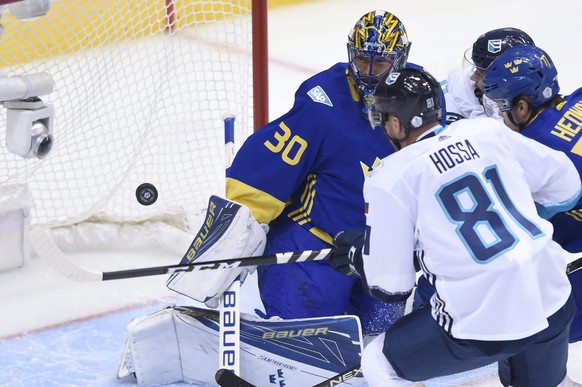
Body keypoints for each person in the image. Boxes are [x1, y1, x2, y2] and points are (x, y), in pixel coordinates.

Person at [330, 67, 581, 386]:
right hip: (553, 295)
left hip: (484, 319)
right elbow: (568, 185)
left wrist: (361, 258)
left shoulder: (391, 176)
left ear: (396, 123)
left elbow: (391, 288)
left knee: (379, 362)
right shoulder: (486, 132)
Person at [222, 9, 445, 335]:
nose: (368, 73)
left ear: (400, 59)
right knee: (301, 341)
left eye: (380, 64)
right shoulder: (322, 104)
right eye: (362, 61)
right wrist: (237, 234)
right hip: (311, 248)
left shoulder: (421, 96)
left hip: (377, 251)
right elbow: (265, 173)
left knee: (381, 339)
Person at [483, 44, 582, 343]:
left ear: (522, 107)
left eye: (502, 106)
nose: (501, 115)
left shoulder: (534, 152)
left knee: (546, 327)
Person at [443, 27, 535, 123]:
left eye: (479, 73)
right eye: (476, 70)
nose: (472, 77)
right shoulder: (461, 81)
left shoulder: (514, 113)